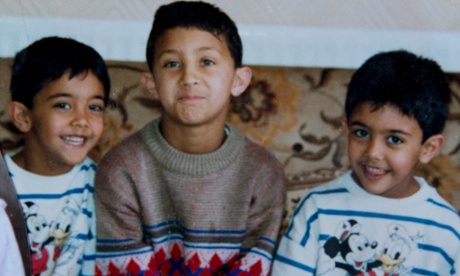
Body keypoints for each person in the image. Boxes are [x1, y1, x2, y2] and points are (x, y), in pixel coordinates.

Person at [94, 1, 286, 275]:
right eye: (172, 63)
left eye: (206, 62)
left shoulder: (262, 172)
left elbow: (255, 267)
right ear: (151, 84)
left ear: (238, 80)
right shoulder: (121, 169)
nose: (189, 77)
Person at [272, 50, 460, 275]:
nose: (373, 152)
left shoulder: (447, 227)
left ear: (428, 149)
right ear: (345, 127)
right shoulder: (317, 208)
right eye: (362, 133)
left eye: (394, 139)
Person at [6, 36, 111, 276]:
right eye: (63, 105)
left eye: (94, 107)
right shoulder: (3, 186)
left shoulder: (105, 184)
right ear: (22, 116)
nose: (82, 120)